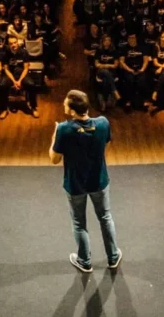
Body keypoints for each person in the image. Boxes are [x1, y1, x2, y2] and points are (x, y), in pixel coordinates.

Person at [49, 89, 121, 274]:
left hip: (75, 185)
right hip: (99, 181)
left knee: (79, 223)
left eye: (65, 103)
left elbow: (54, 159)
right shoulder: (103, 123)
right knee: (105, 217)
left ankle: (84, 261)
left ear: (72, 111)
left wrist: (53, 138)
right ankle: (113, 257)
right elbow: (106, 146)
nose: (63, 104)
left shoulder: (63, 129)